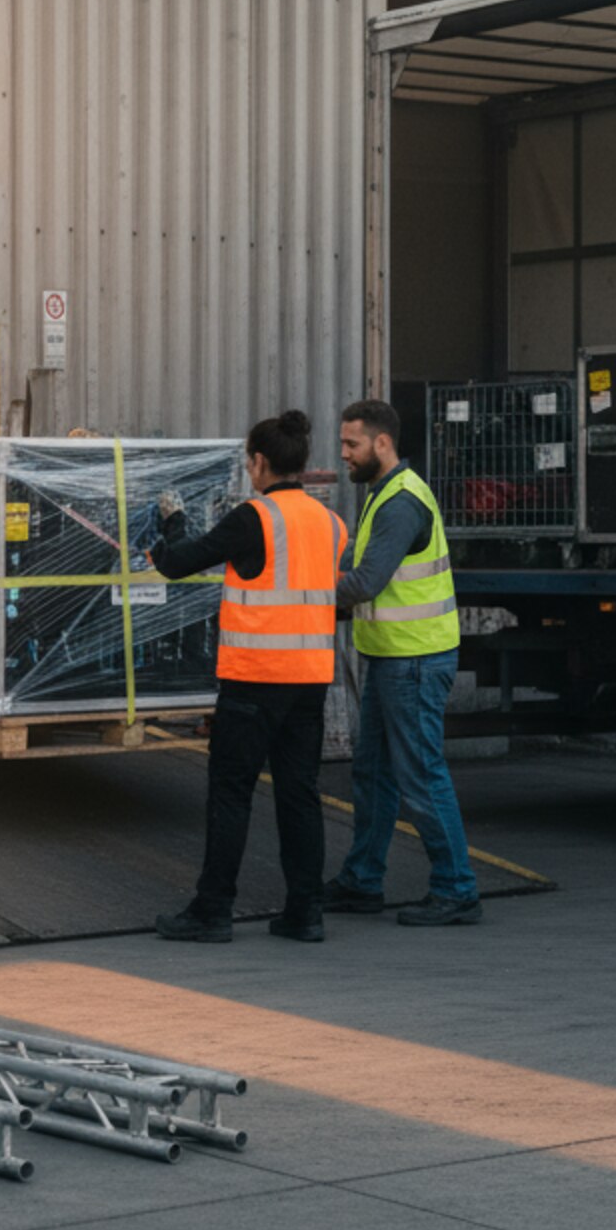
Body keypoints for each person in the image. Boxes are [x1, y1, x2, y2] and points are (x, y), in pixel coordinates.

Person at [148, 410, 347, 944]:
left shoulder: (252, 517)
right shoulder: (331, 523)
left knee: (231, 793)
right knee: (299, 795)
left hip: (254, 679)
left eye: (248, 461)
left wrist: (169, 525)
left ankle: (213, 910)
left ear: (259, 462)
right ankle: (306, 913)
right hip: (309, 679)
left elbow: (177, 564)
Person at [325, 399, 483, 927]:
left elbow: (365, 581)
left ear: (382, 443)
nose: (343, 453)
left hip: (414, 660)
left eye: (352, 444)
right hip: (391, 655)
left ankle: (457, 888)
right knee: (372, 773)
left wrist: (300, 594)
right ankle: (362, 881)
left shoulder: (399, 503)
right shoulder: (384, 493)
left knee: (419, 776)